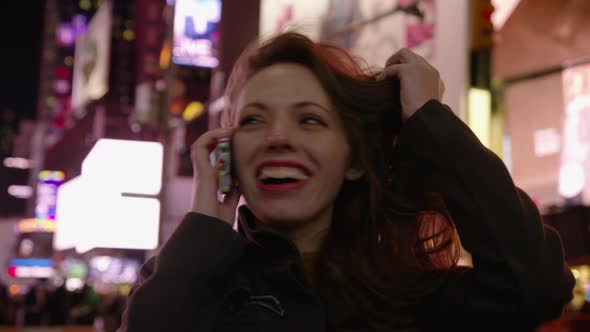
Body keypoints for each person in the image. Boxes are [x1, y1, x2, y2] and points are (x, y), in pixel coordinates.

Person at [118, 32, 575, 331]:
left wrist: (430, 125)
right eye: (254, 120)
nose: (278, 137)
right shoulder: (195, 288)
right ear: (226, 153)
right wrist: (206, 215)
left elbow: (535, 285)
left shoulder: (407, 298)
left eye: (311, 120)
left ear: (354, 160)